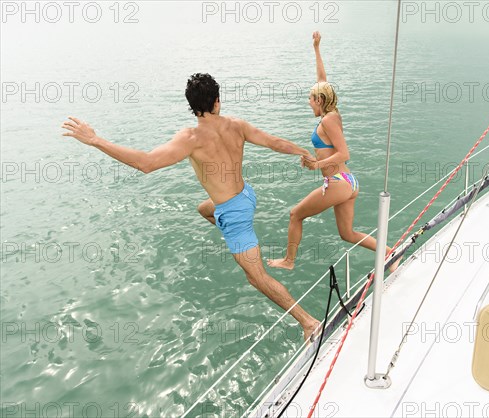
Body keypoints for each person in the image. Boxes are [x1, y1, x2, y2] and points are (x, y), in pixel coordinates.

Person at [61, 73, 321, 341]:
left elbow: (146, 163)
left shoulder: (190, 138)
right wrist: (303, 151)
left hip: (235, 215)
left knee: (256, 278)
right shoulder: (237, 125)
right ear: (217, 101)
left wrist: (95, 140)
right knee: (204, 209)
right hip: (246, 196)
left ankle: (308, 322)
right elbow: (274, 142)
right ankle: (232, 231)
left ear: (191, 106)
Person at [267, 32, 400, 272]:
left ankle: (288, 261)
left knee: (295, 214)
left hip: (337, 182)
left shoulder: (329, 121)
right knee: (347, 234)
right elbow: (322, 80)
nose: (308, 102)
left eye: (310, 98)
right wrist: (316, 49)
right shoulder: (330, 112)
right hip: (347, 182)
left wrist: (316, 165)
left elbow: (344, 153)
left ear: (319, 100)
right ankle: (390, 253)